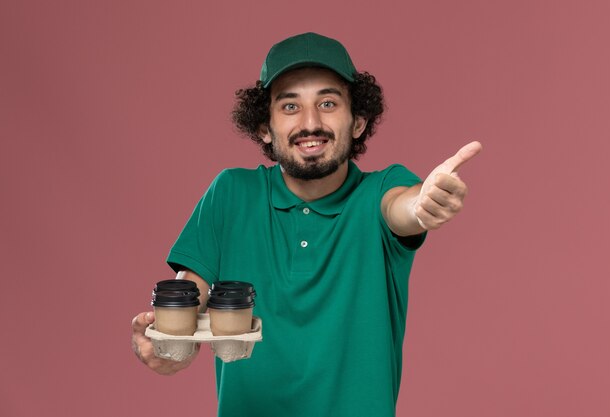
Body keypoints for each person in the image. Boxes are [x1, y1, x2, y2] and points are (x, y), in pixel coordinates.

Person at [131, 32, 482, 417]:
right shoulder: (231, 193)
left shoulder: (379, 190)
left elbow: (402, 207)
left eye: (328, 103)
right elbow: (187, 295)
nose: (311, 123)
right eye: (290, 106)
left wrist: (424, 204)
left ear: (358, 121)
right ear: (265, 127)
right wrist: (166, 347)